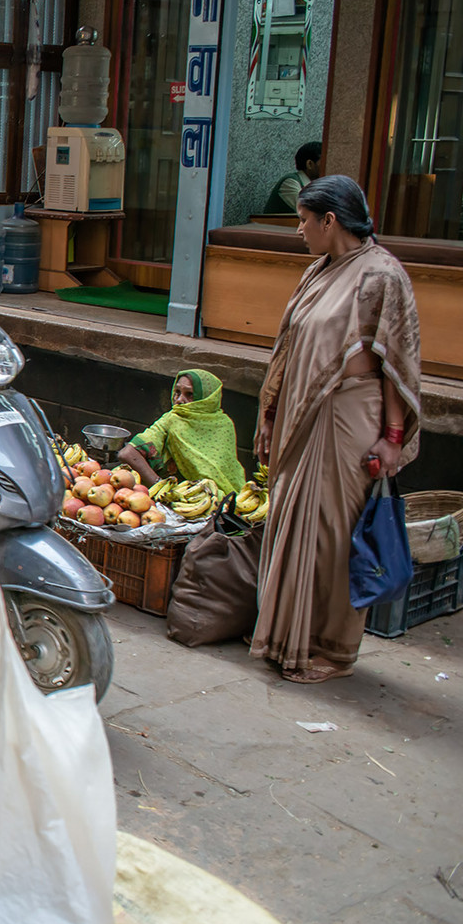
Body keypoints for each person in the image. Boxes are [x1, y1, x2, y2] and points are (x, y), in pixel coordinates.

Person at [250, 175, 421, 684]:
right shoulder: (317, 271)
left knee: (333, 536)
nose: (298, 229)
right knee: (292, 519)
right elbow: (287, 347)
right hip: (302, 417)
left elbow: (395, 363)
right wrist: (271, 411)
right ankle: (286, 637)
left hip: (349, 419)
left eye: (304, 220)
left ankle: (333, 651)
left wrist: (391, 439)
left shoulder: (381, 277)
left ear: (330, 221)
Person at [117, 369, 246, 494]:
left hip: (213, 499)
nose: (179, 400)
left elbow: (225, 469)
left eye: (189, 394)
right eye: (177, 392)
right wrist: (160, 486)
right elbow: (127, 454)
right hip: (174, 497)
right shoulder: (172, 419)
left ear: (208, 400)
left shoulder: (224, 424)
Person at [265, 141, 323, 214]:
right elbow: (308, 210)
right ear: (310, 164)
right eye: (324, 162)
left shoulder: (318, 186)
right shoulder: (290, 182)